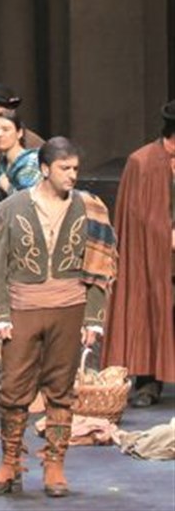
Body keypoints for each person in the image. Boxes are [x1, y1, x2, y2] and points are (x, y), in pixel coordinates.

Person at [0, 137, 116, 498]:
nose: (72, 175)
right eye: (64, 168)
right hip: (22, 308)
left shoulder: (90, 208)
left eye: (75, 169)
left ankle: (54, 464)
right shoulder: (10, 209)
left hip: (69, 308)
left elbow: (99, 268)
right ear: (44, 169)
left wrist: (93, 318)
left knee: (61, 389)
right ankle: (10, 462)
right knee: (13, 389)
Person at [102, 99, 175, 406]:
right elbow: (135, 218)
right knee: (150, 308)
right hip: (153, 255)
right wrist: (166, 234)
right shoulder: (142, 162)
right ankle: (148, 382)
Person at [0, 109, 42, 216]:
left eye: (6, 129)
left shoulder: (31, 163)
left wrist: (7, 187)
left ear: (19, 133)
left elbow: (31, 203)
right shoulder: (1, 163)